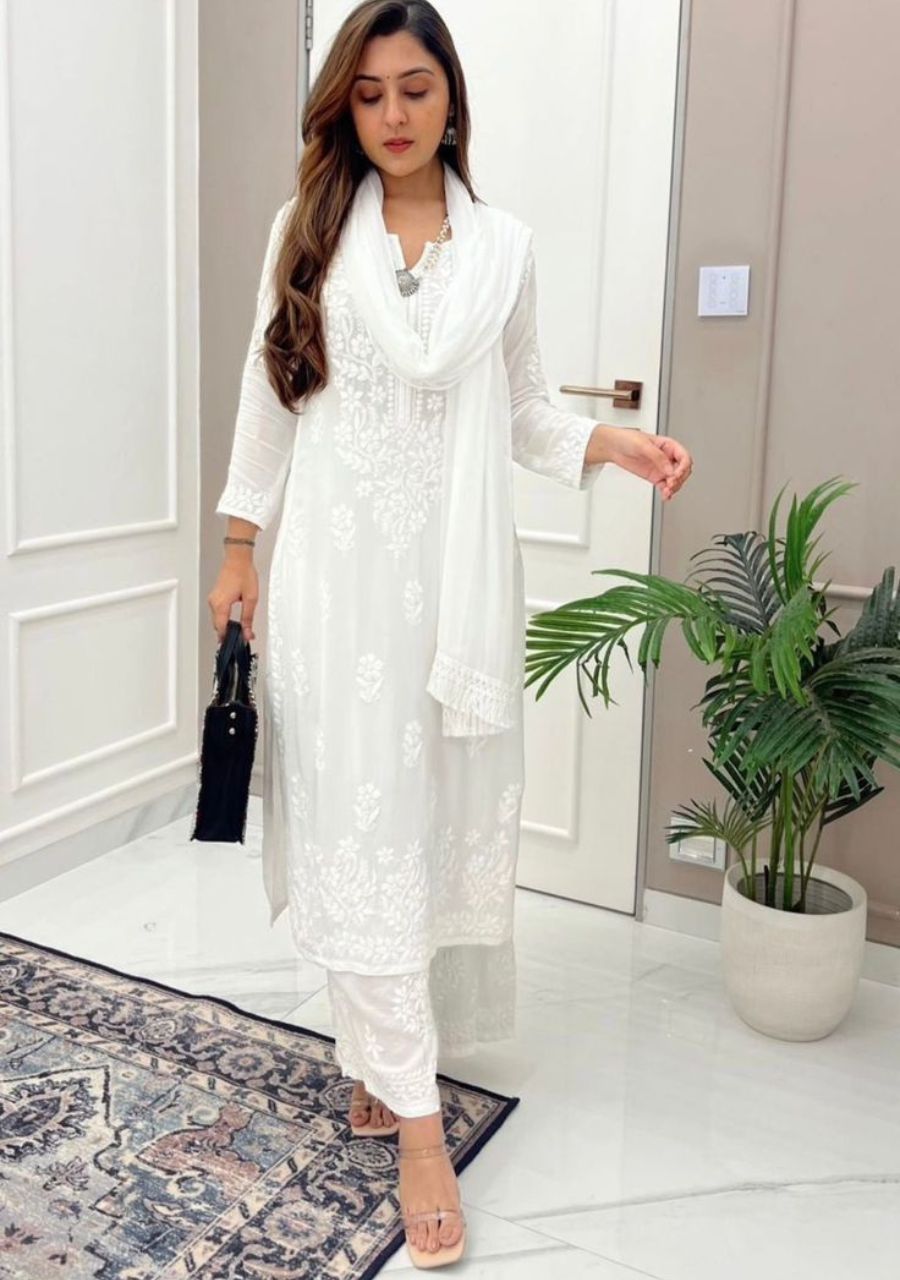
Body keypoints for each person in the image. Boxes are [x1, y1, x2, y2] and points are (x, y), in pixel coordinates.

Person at [207, 0, 692, 1267]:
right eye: (368, 94)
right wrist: (239, 548)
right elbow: (270, 396)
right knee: (361, 827)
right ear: (344, 106)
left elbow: (527, 412)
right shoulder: (307, 233)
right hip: (333, 592)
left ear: (451, 100)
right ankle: (422, 1128)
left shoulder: (503, 250)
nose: (393, 114)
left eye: (414, 89)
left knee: (417, 830)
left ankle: (378, 1054)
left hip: (453, 596)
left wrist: (610, 442)